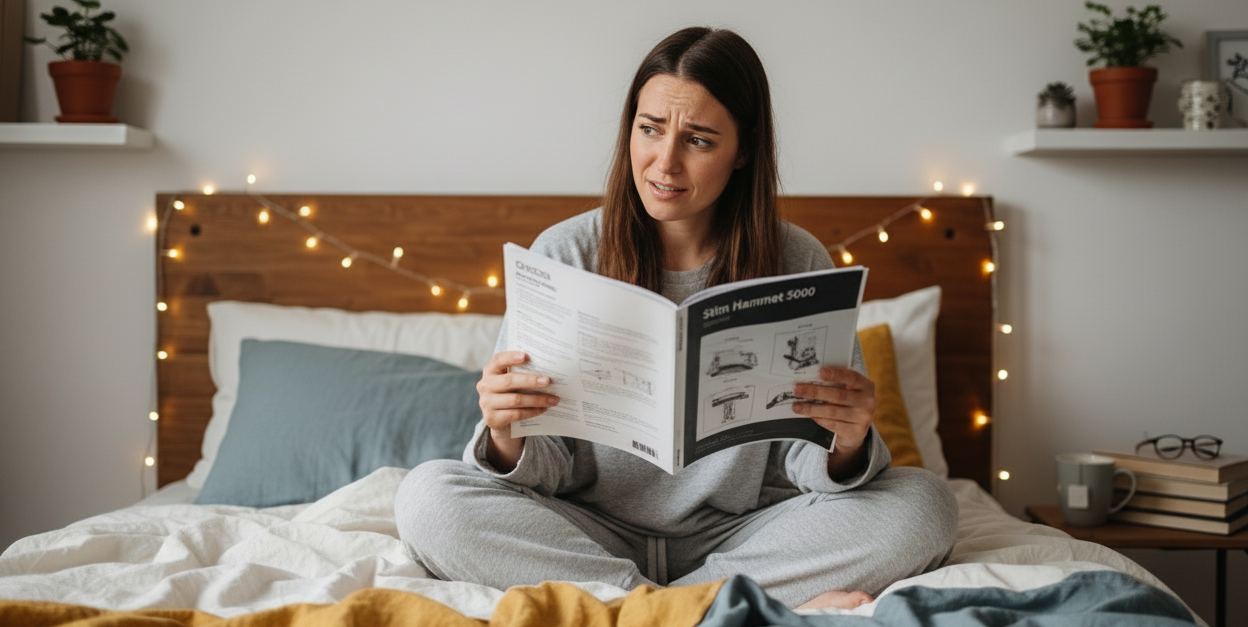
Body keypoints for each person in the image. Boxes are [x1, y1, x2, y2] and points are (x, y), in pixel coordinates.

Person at [395, 26, 957, 610]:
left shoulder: (797, 260)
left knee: (924, 506)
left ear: (742, 150)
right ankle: (713, 611)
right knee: (427, 496)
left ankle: (644, 611)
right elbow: (541, 469)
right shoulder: (564, 255)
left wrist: (846, 438)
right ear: (629, 130)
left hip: (742, 535)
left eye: (699, 140)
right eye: (650, 129)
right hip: (588, 533)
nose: (665, 163)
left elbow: (806, 465)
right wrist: (506, 432)